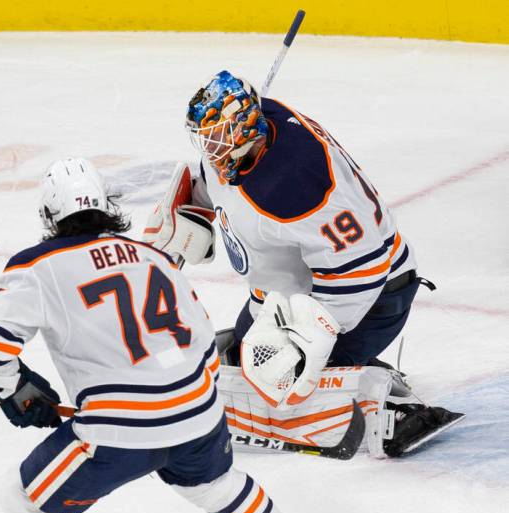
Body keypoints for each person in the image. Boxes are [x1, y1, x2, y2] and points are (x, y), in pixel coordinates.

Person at [0, 157, 332, 513]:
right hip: (199, 412)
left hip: (120, 431)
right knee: (212, 484)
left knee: (24, 499)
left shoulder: (38, 267)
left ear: (50, 217)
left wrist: (10, 389)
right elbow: (203, 341)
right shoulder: (154, 256)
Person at [143, 70, 461, 456]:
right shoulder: (251, 137)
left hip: (372, 299)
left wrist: (308, 340)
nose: (210, 148)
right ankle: (347, 368)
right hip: (286, 297)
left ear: (244, 128)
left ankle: (389, 406)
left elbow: (363, 269)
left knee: (276, 384)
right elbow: (219, 180)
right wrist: (193, 204)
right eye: (204, 138)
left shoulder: (299, 182)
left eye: (217, 136)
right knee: (236, 363)